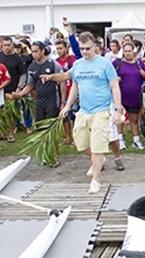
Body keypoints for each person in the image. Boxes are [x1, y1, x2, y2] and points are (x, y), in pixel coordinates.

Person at [43, 32, 125, 193]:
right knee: (80, 143)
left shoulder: (105, 64)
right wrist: (53, 79)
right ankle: (98, 161)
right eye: (82, 49)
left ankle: (96, 179)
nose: (85, 52)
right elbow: (72, 82)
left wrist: (117, 109)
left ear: (95, 47)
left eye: (88, 48)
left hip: (101, 110)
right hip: (84, 110)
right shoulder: (78, 64)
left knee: (97, 146)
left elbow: (115, 86)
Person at [14, 42, 66, 122]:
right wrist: (19, 94)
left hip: (52, 100)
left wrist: (63, 101)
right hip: (39, 101)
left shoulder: (53, 64)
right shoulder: (31, 67)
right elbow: (30, 85)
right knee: (40, 126)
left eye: (36, 51)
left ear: (42, 51)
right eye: (32, 52)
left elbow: (62, 81)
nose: (33, 54)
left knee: (50, 125)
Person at [113, 42, 145, 150]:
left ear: (134, 51)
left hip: (135, 97)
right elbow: (110, 77)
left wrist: (144, 74)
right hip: (121, 97)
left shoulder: (139, 63)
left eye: (129, 51)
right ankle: (120, 140)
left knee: (134, 119)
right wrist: (115, 80)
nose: (127, 53)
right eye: (125, 51)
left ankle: (136, 140)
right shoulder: (117, 63)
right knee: (120, 120)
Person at [0, 36, 27, 142]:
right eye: (4, 45)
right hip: (1, 89)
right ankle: (2, 132)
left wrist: (19, 88)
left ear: (12, 45)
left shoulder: (17, 58)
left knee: (11, 113)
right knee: (2, 113)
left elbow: (23, 74)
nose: (6, 48)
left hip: (12, 89)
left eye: (8, 45)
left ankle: (11, 133)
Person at [55, 39, 77, 144]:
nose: (59, 51)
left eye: (61, 48)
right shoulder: (56, 62)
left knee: (75, 116)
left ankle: (76, 137)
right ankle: (68, 137)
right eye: (57, 49)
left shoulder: (72, 59)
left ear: (66, 48)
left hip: (73, 91)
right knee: (65, 116)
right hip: (62, 92)